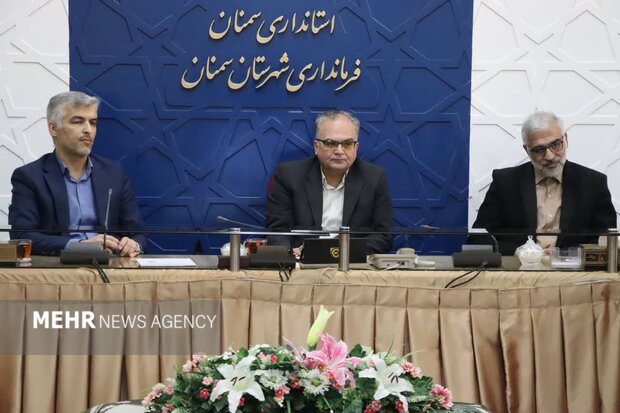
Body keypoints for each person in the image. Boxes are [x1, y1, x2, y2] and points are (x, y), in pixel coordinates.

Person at [8, 91, 146, 256]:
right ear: (53, 128)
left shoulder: (114, 173)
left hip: (109, 264)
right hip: (59, 266)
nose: (88, 130)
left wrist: (133, 244)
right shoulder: (29, 177)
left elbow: (138, 233)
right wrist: (80, 247)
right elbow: (22, 236)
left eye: (93, 123)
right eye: (78, 122)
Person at [473, 110, 617, 255]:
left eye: (556, 145)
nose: (549, 156)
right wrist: (519, 251)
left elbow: (607, 242)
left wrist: (566, 254)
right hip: (520, 265)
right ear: (527, 150)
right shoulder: (505, 183)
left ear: (566, 139)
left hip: (572, 266)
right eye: (539, 150)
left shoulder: (593, 183)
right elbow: (478, 239)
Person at [266, 110, 393, 254]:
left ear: (356, 147)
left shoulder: (374, 178)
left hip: (351, 262)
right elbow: (277, 232)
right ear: (316, 146)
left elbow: (383, 236)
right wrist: (289, 253)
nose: (339, 151)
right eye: (330, 143)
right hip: (302, 263)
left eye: (347, 143)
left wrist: (336, 253)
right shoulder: (289, 176)